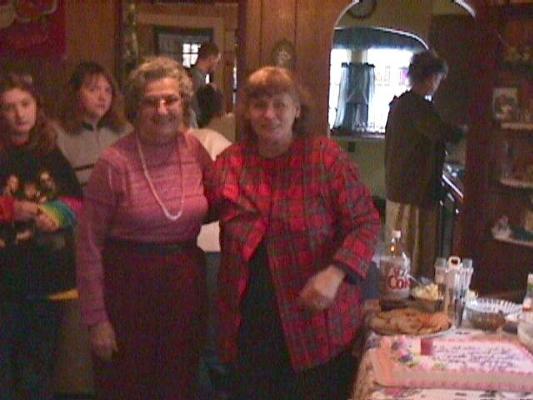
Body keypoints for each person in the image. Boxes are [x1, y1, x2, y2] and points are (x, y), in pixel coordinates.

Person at [212, 66, 381, 400]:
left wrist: (335, 273)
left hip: (316, 322)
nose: (269, 114)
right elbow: (194, 208)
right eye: (259, 105)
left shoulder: (325, 159)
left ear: (297, 110)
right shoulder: (230, 162)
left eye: (280, 104)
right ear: (247, 112)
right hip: (249, 323)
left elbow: (366, 223)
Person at [76, 56, 214, 400]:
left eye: (170, 100)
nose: (162, 110)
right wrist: (96, 320)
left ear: (183, 103)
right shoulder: (114, 162)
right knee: (128, 385)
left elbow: (216, 202)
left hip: (184, 285)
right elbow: (88, 244)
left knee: (179, 383)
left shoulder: (195, 150)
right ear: (135, 108)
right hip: (128, 289)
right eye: (151, 102)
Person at [0, 72, 82, 399]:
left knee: (39, 370)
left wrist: (54, 215)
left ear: (37, 106)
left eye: (25, 104)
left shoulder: (50, 152)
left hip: (47, 279)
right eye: (9, 107)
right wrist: (10, 209)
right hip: (6, 279)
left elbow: (76, 201)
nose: (19, 114)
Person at [384, 50, 464, 279]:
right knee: (410, 253)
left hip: (401, 188)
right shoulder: (418, 107)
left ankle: (401, 288)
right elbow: (441, 131)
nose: (437, 84)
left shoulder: (402, 103)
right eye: (438, 79)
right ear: (430, 78)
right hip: (412, 192)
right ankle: (409, 292)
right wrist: (465, 132)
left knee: (399, 252)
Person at [188, 127, 232, 399]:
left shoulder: (207, 142)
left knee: (208, 331)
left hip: (209, 247)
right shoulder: (213, 141)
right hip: (190, 248)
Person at [57, 61, 130, 187]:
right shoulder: (57, 134)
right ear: (75, 93)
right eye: (93, 90)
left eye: (108, 91)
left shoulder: (124, 130)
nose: (102, 97)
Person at [189, 41, 221, 120]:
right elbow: (195, 109)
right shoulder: (196, 78)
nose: (217, 65)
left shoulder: (198, 77)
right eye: (217, 61)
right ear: (211, 59)